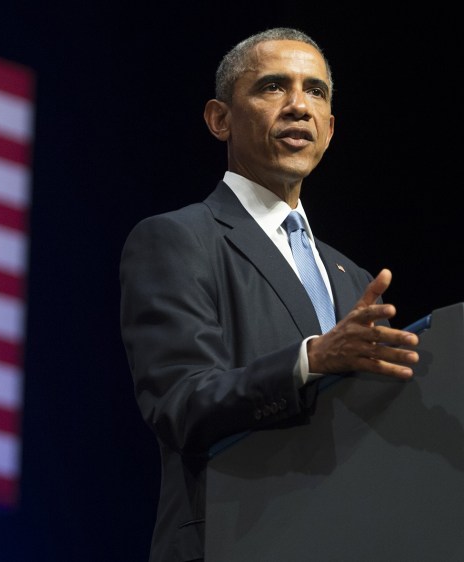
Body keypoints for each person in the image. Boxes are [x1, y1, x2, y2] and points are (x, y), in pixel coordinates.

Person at [118, 27, 420, 562]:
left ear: (330, 130)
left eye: (316, 92)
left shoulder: (352, 277)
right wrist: (309, 362)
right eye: (274, 87)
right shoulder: (179, 239)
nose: (299, 106)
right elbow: (181, 403)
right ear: (220, 119)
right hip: (235, 541)